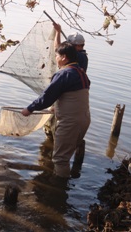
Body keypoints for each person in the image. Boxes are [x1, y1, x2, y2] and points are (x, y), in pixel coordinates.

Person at [21, 42, 91, 187]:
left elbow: (47, 97)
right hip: (83, 119)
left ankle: (58, 189)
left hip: (70, 122)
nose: (56, 58)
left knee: (60, 159)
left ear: (64, 57)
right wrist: (57, 106)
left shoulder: (64, 73)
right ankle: (65, 180)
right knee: (65, 154)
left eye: (57, 55)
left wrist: (30, 109)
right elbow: (71, 95)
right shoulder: (80, 72)